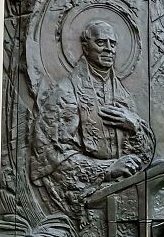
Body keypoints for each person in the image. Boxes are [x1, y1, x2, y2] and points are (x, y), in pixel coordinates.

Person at [30, 20, 155, 220]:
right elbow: (51, 157)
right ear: (86, 47)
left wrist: (135, 127)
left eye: (112, 44)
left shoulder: (123, 97)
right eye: (101, 43)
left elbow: (143, 156)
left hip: (127, 198)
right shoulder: (65, 93)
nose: (108, 49)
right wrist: (108, 169)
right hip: (86, 202)